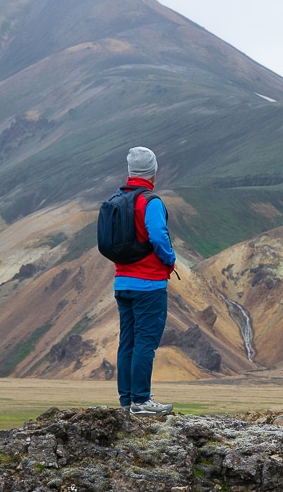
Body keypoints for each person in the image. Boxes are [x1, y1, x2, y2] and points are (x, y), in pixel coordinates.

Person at [112, 146, 176, 415]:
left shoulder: (118, 200)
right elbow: (159, 236)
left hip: (122, 281)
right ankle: (141, 401)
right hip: (149, 284)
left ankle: (127, 400)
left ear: (130, 172)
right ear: (153, 172)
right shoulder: (150, 201)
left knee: (127, 341)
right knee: (145, 343)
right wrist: (170, 260)